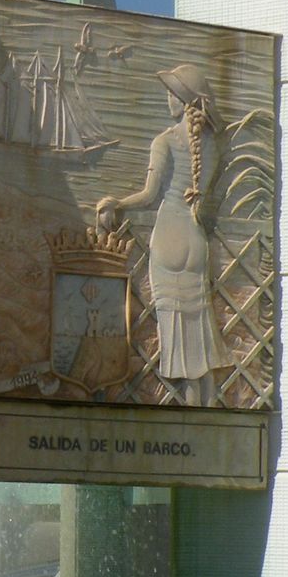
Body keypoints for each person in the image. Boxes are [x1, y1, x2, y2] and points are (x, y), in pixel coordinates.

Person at [96, 63, 230, 406]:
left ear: (182, 100)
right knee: (200, 329)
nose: (166, 99)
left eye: (170, 93)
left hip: (170, 233)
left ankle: (189, 407)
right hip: (196, 238)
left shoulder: (166, 141)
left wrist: (117, 203)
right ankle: (211, 409)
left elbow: (150, 195)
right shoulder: (213, 145)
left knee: (178, 340)